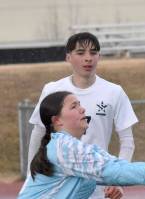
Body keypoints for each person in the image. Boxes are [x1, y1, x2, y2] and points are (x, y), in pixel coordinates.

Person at [18, 91, 145, 199]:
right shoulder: (65, 147)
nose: (82, 109)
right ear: (57, 121)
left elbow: (118, 168)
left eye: (80, 104)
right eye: (74, 106)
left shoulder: (68, 148)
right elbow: (113, 172)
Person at [27, 32, 138, 199]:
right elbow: (38, 134)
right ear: (68, 57)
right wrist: (32, 177)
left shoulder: (114, 92)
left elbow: (127, 141)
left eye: (93, 53)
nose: (88, 58)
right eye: (80, 53)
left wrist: (118, 179)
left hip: (98, 189)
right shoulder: (52, 90)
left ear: (99, 56)